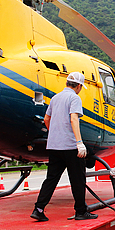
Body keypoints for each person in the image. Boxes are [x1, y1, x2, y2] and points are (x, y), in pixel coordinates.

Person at [31, 72, 97, 222]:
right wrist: (79, 142)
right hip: (70, 146)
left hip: (54, 146)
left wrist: (55, 133)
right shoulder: (74, 98)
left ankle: (38, 209)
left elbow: (47, 118)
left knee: (51, 179)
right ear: (79, 86)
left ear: (67, 83)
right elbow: (74, 118)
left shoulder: (55, 98)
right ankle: (80, 211)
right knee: (78, 180)